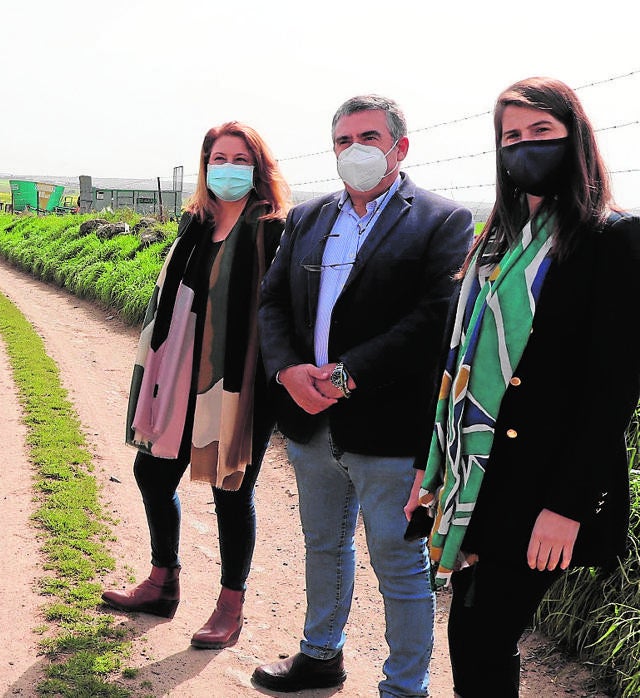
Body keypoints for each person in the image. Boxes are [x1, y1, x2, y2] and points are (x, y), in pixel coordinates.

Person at [409, 77, 640, 698]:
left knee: (483, 634)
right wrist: (432, 469)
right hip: (478, 473)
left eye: (541, 132)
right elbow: (458, 363)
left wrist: (565, 508)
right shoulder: (500, 240)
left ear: (576, 139)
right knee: (473, 634)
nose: (524, 146)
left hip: (543, 483)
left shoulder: (611, 238)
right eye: (512, 136)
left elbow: (612, 390)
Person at [255, 95, 474, 696]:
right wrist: (287, 373)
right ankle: (320, 655)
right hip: (310, 419)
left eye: (368, 138)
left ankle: (405, 687)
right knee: (323, 545)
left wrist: (349, 374)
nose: (355, 151)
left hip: (390, 426)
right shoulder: (307, 217)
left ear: (400, 147)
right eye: (343, 141)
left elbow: (434, 318)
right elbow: (273, 303)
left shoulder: (443, 220)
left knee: (399, 564)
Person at [102, 121, 289, 650]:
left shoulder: (273, 228)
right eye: (218, 158)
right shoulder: (195, 222)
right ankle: (164, 581)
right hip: (180, 373)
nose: (227, 168)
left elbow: (280, 311)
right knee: (151, 472)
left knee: (232, 487)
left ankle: (231, 606)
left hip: (238, 382)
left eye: (239, 158)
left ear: (259, 167)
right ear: (205, 165)